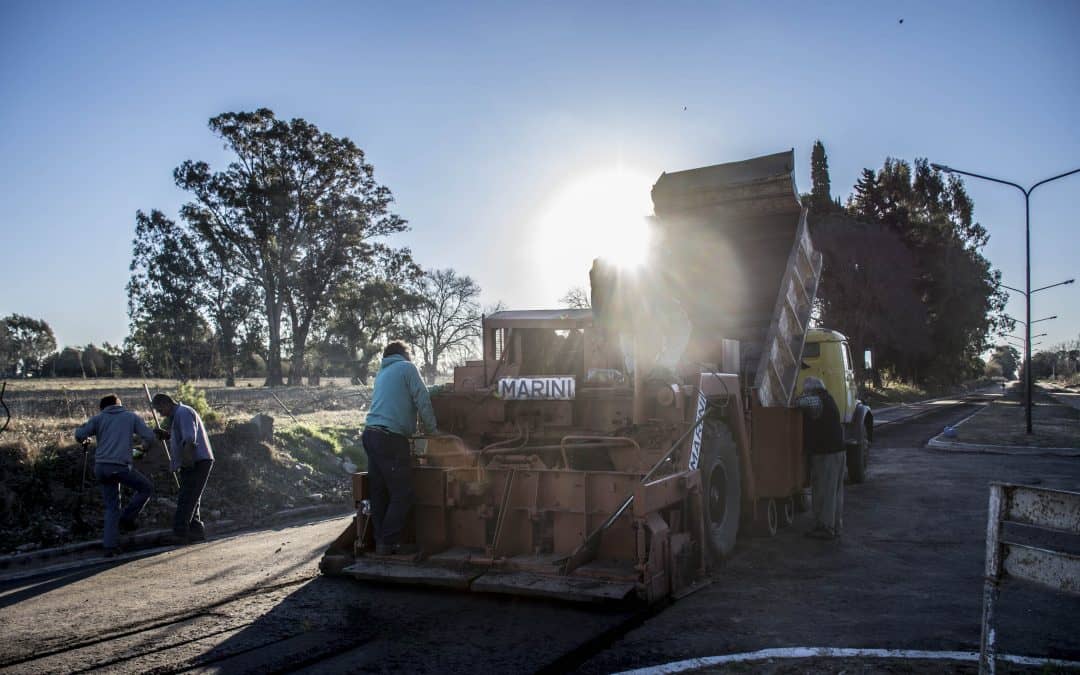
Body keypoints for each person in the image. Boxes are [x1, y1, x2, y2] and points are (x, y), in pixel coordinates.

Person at [362, 341, 438, 555]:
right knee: (402, 492)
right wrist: (432, 431)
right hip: (391, 439)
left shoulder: (383, 373)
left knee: (379, 493)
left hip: (370, 435)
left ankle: (380, 542)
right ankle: (390, 542)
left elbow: (409, 392)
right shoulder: (407, 367)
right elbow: (422, 397)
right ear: (405, 354)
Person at [74, 394, 159, 556]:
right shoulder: (130, 417)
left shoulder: (98, 418)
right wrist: (144, 448)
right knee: (146, 488)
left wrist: (84, 439)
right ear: (119, 404)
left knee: (112, 507)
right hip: (120, 466)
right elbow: (149, 436)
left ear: (103, 407)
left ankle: (110, 547)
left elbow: (79, 435)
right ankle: (127, 518)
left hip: (101, 468)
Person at [151, 393, 214, 545]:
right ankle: (196, 531)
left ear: (166, 403)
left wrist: (187, 461)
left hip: (196, 461)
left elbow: (189, 439)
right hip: (198, 460)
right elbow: (182, 437)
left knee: (186, 498)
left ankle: (180, 533)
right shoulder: (180, 414)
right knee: (193, 498)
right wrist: (167, 436)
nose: (160, 413)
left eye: (159, 410)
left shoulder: (183, 413)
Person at [796, 377, 845, 539]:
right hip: (837, 452)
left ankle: (825, 528)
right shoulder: (828, 399)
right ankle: (835, 525)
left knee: (824, 492)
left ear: (811, 390)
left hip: (826, 454)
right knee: (835, 492)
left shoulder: (817, 400)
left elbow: (800, 403)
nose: (804, 394)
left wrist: (796, 399)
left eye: (805, 391)